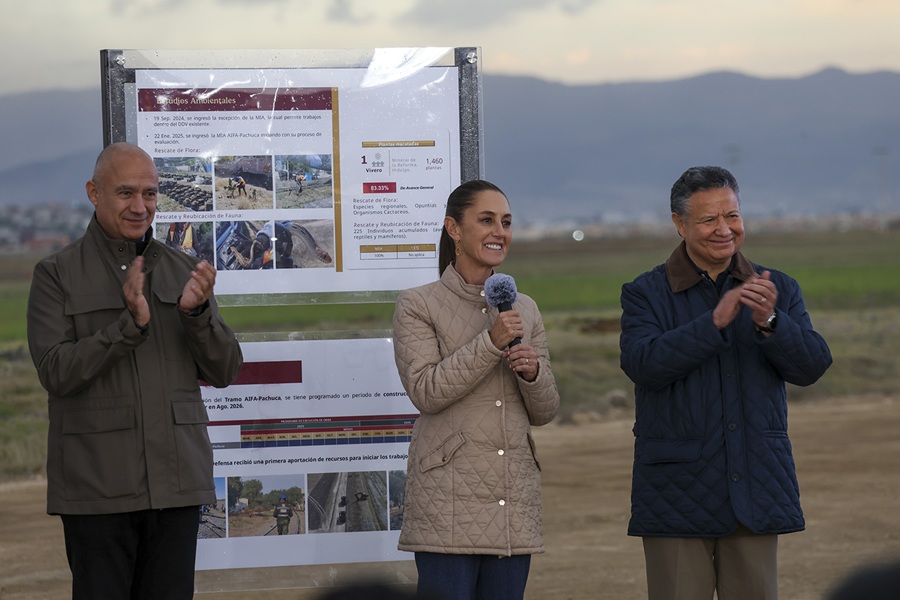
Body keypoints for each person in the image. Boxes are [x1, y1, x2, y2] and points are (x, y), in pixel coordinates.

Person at [26, 142, 244, 600]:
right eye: (126, 193)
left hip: (177, 486)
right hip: (98, 490)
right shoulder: (57, 274)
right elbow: (56, 372)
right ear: (94, 192)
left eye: (149, 193)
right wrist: (128, 327)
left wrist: (197, 314)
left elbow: (225, 369)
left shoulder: (184, 269)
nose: (140, 206)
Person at [619, 166, 833, 600]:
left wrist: (772, 322)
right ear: (679, 225)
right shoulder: (645, 293)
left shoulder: (777, 288)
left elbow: (811, 367)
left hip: (755, 485)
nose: (725, 229)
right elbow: (644, 364)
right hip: (676, 494)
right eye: (708, 219)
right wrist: (712, 325)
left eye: (732, 216)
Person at [392, 179, 560, 600]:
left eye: (505, 222)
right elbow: (426, 391)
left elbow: (545, 411)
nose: (498, 232)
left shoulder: (525, 307)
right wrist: (491, 343)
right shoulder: (417, 304)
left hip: (511, 502)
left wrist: (532, 373)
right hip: (447, 505)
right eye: (486, 220)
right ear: (453, 228)